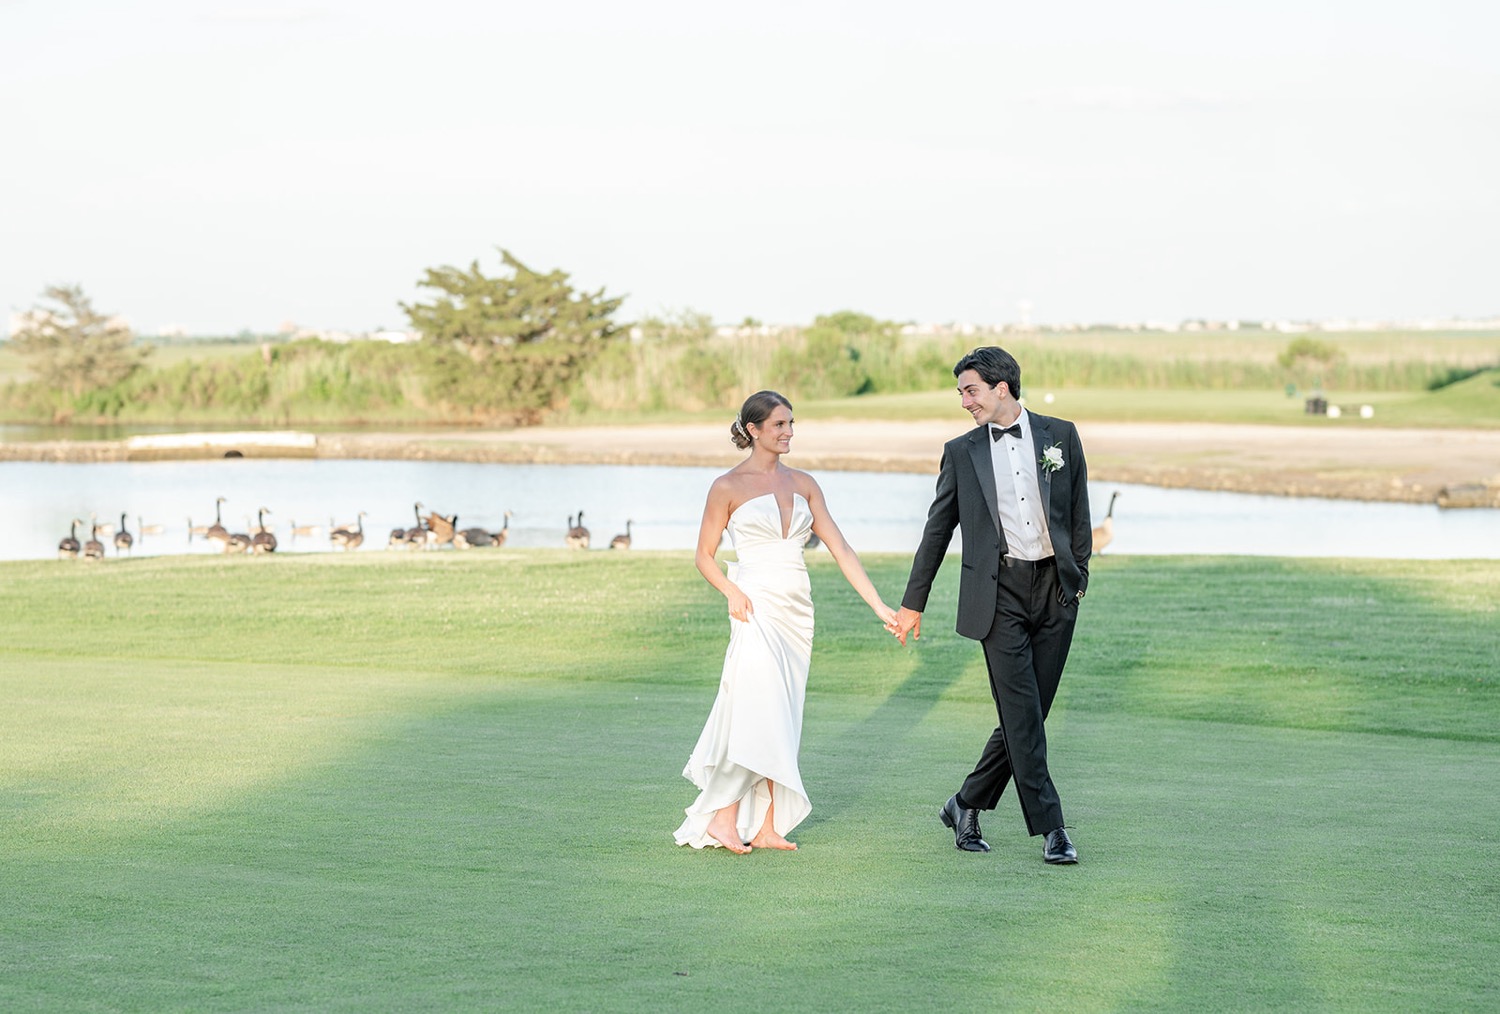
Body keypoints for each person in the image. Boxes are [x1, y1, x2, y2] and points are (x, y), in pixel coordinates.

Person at [675, 390, 899, 853]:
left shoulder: (805, 484)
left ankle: (768, 827)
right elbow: (703, 556)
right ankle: (722, 816)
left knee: (786, 712)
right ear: (754, 430)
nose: (789, 432)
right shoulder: (726, 486)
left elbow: (840, 548)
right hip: (754, 604)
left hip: (797, 608)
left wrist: (880, 606)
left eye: (791, 424)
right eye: (779, 425)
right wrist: (732, 591)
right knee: (758, 707)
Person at [891, 347, 1091, 864]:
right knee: (1023, 716)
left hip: (1056, 590)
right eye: (961, 392)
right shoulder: (961, 452)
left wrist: (1079, 578)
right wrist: (914, 603)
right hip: (996, 596)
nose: (964, 401)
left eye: (970, 390)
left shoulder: (1061, 436)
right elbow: (937, 530)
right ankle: (1053, 829)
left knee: (1029, 715)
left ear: (1002, 388)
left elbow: (1078, 512)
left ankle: (966, 803)